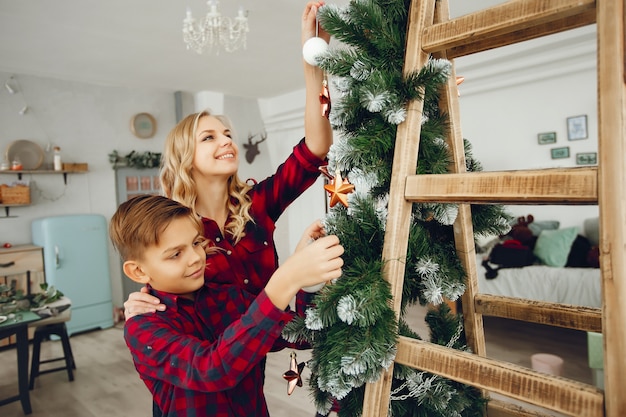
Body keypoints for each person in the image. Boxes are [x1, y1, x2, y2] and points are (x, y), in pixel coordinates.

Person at [124, 0, 332, 318]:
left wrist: (312, 62)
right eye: (209, 137)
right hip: (213, 359)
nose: (226, 141)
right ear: (185, 158)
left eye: (227, 134)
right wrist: (139, 303)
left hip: (261, 349)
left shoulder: (258, 204)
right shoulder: (173, 229)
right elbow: (161, 288)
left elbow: (315, 149)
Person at [110, 194, 344, 417]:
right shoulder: (143, 328)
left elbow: (302, 335)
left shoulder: (229, 297)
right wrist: (284, 282)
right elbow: (211, 369)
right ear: (138, 271)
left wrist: (308, 283)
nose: (195, 257)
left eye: (196, 243)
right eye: (175, 254)